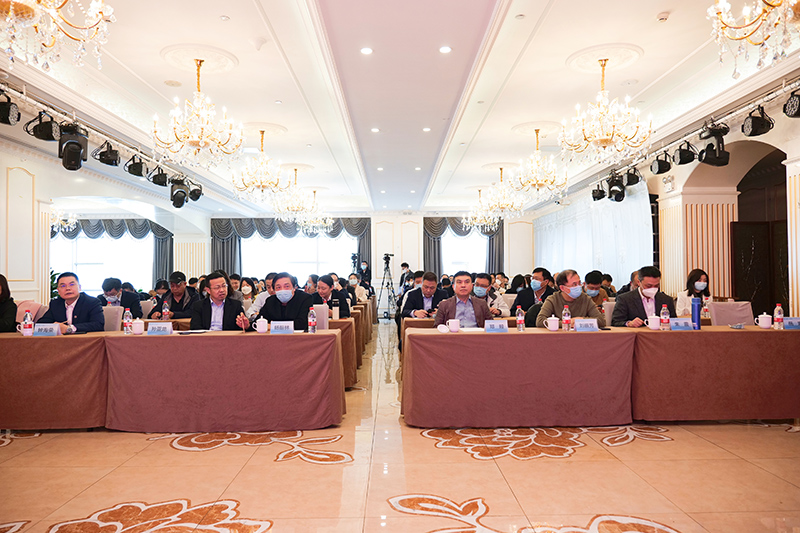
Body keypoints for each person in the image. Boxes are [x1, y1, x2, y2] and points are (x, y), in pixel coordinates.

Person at [536, 270, 606, 328]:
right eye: (574, 284)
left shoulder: (586, 299)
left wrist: (580, 321)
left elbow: (601, 321)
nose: (578, 287)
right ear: (562, 288)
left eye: (579, 283)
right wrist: (567, 323)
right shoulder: (553, 299)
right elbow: (540, 321)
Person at [39, 272, 105, 333]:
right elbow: (41, 324)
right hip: (61, 340)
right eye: (63, 286)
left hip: (86, 339)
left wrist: (69, 328)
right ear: (58, 291)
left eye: (72, 284)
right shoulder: (55, 304)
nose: (68, 288)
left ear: (79, 287)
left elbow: (98, 325)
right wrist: (54, 326)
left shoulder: (92, 302)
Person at [611, 266, 676, 327]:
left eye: (656, 286)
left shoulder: (666, 300)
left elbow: (674, 323)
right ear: (639, 282)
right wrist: (629, 323)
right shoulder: (625, 299)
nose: (653, 289)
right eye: (648, 286)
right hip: (637, 334)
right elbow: (615, 322)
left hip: (660, 334)